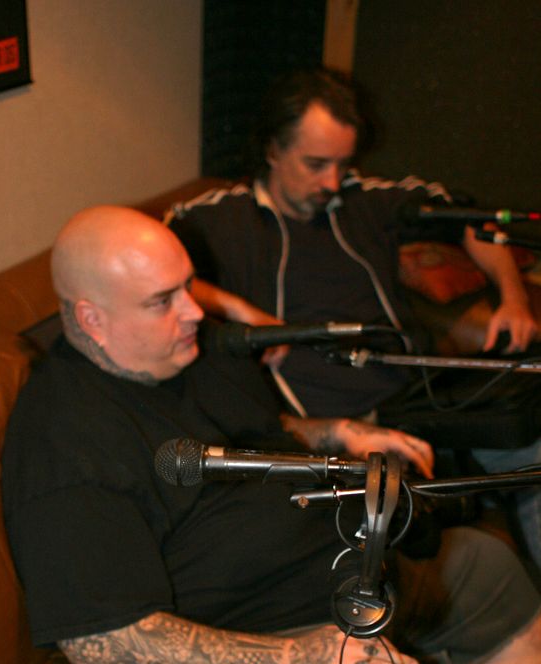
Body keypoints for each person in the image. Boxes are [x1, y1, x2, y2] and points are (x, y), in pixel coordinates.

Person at [1, 206, 541, 664]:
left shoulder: (183, 352)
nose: (194, 311)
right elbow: (100, 639)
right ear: (92, 319)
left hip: (340, 564)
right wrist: (287, 658)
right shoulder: (65, 446)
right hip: (244, 633)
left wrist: (337, 432)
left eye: (188, 286)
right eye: (162, 300)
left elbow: (260, 428)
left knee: (482, 569)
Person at [165, 67, 541, 570]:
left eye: (342, 164)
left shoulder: (367, 200)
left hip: (416, 396)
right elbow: (150, 270)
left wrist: (513, 298)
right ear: (273, 149)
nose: (332, 182)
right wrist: (239, 311)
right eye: (316, 164)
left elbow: (473, 222)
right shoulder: (219, 218)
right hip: (328, 430)